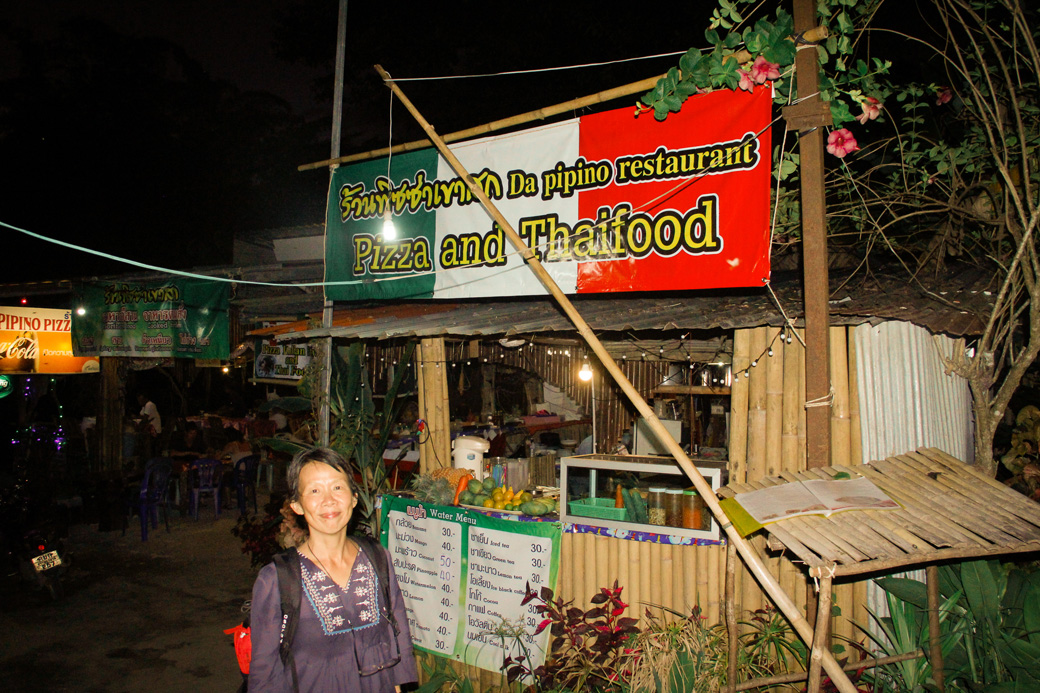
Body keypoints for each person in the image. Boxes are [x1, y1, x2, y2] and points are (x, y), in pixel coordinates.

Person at [248, 448, 417, 692]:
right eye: (315, 490)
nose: (329, 500)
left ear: (354, 498)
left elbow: (397, 636)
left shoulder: (378, 558)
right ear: (296, 505)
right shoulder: (276, 579)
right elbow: (264, 673)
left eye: (338, 487)